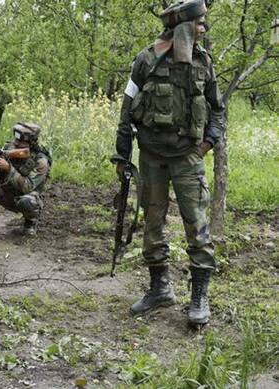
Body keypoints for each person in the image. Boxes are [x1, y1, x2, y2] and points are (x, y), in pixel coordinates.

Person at [113, 0, 226, 326]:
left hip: (187, 157)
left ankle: (199, 298)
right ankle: (159, 289)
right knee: (152, 224)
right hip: (151, 159)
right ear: (183, 27)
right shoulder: (145, 59)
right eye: (199, 25)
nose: (203, 30)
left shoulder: (204, 62)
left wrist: (206, 144)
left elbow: (216, 109)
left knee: (196, 226)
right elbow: (126, 110)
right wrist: (123, 155)